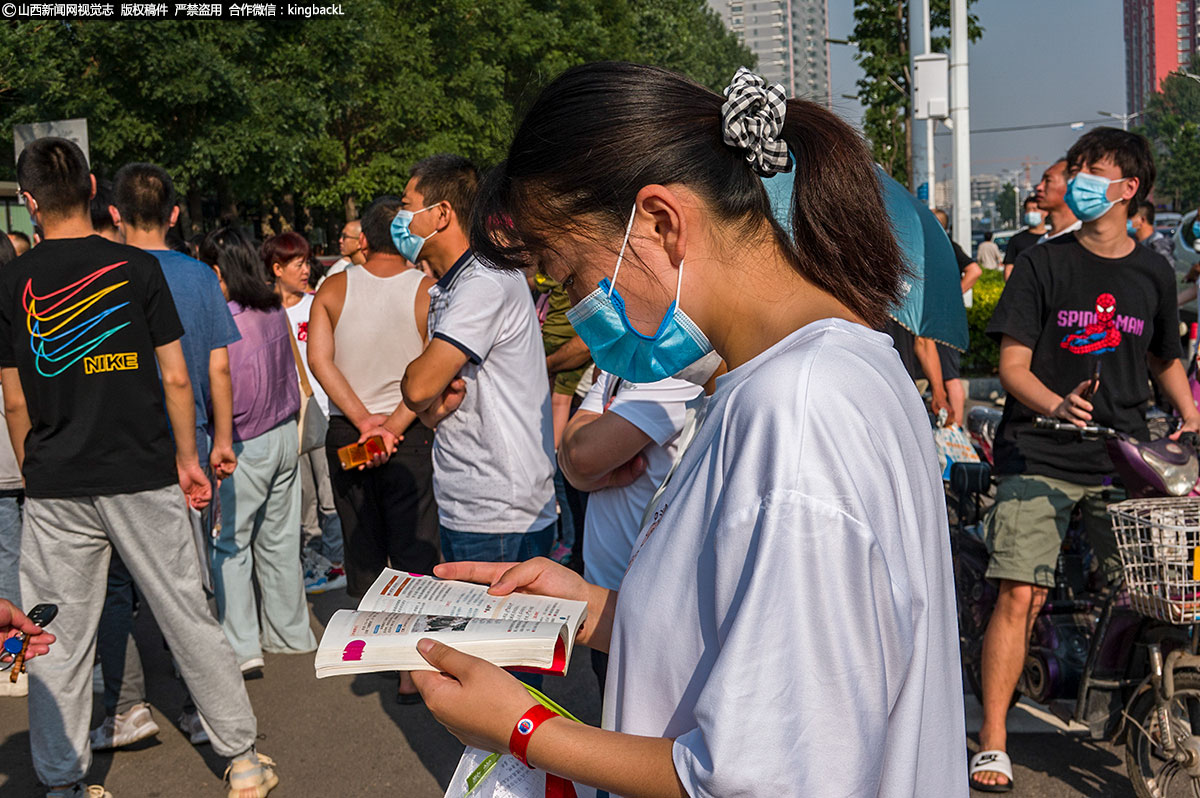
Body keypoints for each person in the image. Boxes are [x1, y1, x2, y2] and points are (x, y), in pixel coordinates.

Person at [408, 63, 965, 797]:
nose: (577, 308)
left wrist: (525, 729)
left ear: (662, 224)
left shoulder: (797, 414)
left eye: (569, 276)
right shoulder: (811, 373)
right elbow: (755, 643)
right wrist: (593, 611)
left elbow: (769, 779)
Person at [3, 137, 277, 798]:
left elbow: (14, 396)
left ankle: (64, 781)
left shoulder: (12, 281)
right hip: (144, 469)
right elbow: (178, 379)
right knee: (187, 612)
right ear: (95, 188)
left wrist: (36, 470)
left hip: (57, 483)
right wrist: (188, 455)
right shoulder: (138, 269)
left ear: (29, 202)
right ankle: (241, 759)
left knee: (57, 635)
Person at [973, 127, 1199, 791]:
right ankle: (992, 737)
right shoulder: (1046, 264)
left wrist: (1190, 415)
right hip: (1039, 451)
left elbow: (1164, 358)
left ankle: (1143, 705)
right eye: (1078, 170)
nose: (1080, 181)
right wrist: (1056, 402)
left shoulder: (1153, 270)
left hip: (1123, 458)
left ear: (1130, 189)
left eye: (1094, 170)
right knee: (1021, 589)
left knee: (1164, 591)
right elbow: (1011, 364)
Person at [88, 162, 242, 751]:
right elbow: (217, 367)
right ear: (176, 214)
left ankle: (127, 708)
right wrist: (222, 439)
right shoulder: (201, 277)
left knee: (118, 585)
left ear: (117, 215)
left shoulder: (104, 275)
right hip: (194, 442)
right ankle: (204, 708)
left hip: (124, 447)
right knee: (189, 581)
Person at [308, 195, 440, 703]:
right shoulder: (426, 289)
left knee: (364, 540)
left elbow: (321, 361)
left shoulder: (333, 288)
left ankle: (380, 646)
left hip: (349, 432)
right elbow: (435, 366)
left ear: (362, 239)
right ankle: (413, 667)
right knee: (413, 543)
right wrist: (390, 423)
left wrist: (362, 420)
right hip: (409, 432)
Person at [399, 155, 557, 567]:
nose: (401, 219)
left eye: (406, 205)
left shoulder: (484, 281)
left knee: (494, 633)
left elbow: (418, 386)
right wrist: (430, 407)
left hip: (499, 513)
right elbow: (432, 400)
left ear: (441, 214)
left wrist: (424, 397)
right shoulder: (451, 287)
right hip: (467, 501)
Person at [200, 226, 316, 675]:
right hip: (284, 433)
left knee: (230, 545)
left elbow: (222, 383)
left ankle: (242, 644)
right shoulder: (270, 307)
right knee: (280, 540)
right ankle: (289, 632)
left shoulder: (223, 318)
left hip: (242, 441)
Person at [559, 369, 703, 694]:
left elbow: (581, 456)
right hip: (603, 604)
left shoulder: (672, 371)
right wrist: (589, 473)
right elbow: (570, 456)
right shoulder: (618, 368)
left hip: (647, 613)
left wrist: (584, 468)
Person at [263, 232, 345, 594]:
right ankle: (312, 565)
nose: (305, 269)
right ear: (276, 268)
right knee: (302, 503)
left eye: (306, 261)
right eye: (297, 263)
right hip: (289, 421)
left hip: (326, 413)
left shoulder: (317, 303)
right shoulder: (264, 312)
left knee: (331, 499)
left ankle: (338, 567)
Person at [532, 270, 592, 566]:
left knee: (564, 471)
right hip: (565, 390)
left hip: (575, 393)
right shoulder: (548, 293)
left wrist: (545, 364)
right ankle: (571, 543)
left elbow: (581, 346)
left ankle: (572, 545)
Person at [0, 234, 24, 699]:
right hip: (35, 458)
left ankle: (13, 656)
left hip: (10, 462)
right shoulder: (26, 308)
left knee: (8, 561)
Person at [933, 208, 978, 425]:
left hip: (942, 320)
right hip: (940, 317)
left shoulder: (945, 246)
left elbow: (975, 270)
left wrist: (952, 295)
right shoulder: (938, 246)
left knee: (950, 376)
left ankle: (957, 427)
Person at [1034, 158, 1080, 243]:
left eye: (1048, 181)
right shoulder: (1042, 242)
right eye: (1041, 181)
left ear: (1070, 185)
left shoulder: (1084, 239)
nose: (1039, 187)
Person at [1003, 197, 1047, 280]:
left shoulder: (1052, 239)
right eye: (1028, 210)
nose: (1031, 213)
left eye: (1035, 209)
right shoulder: (1016, 240)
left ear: (1045, 212)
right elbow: (1009, 268)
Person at [315, 220, 364, 290]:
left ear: (360, 241)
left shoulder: (377, 270)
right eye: (341, 236)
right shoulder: (340, 270)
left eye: (345, 237)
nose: (340, 240)